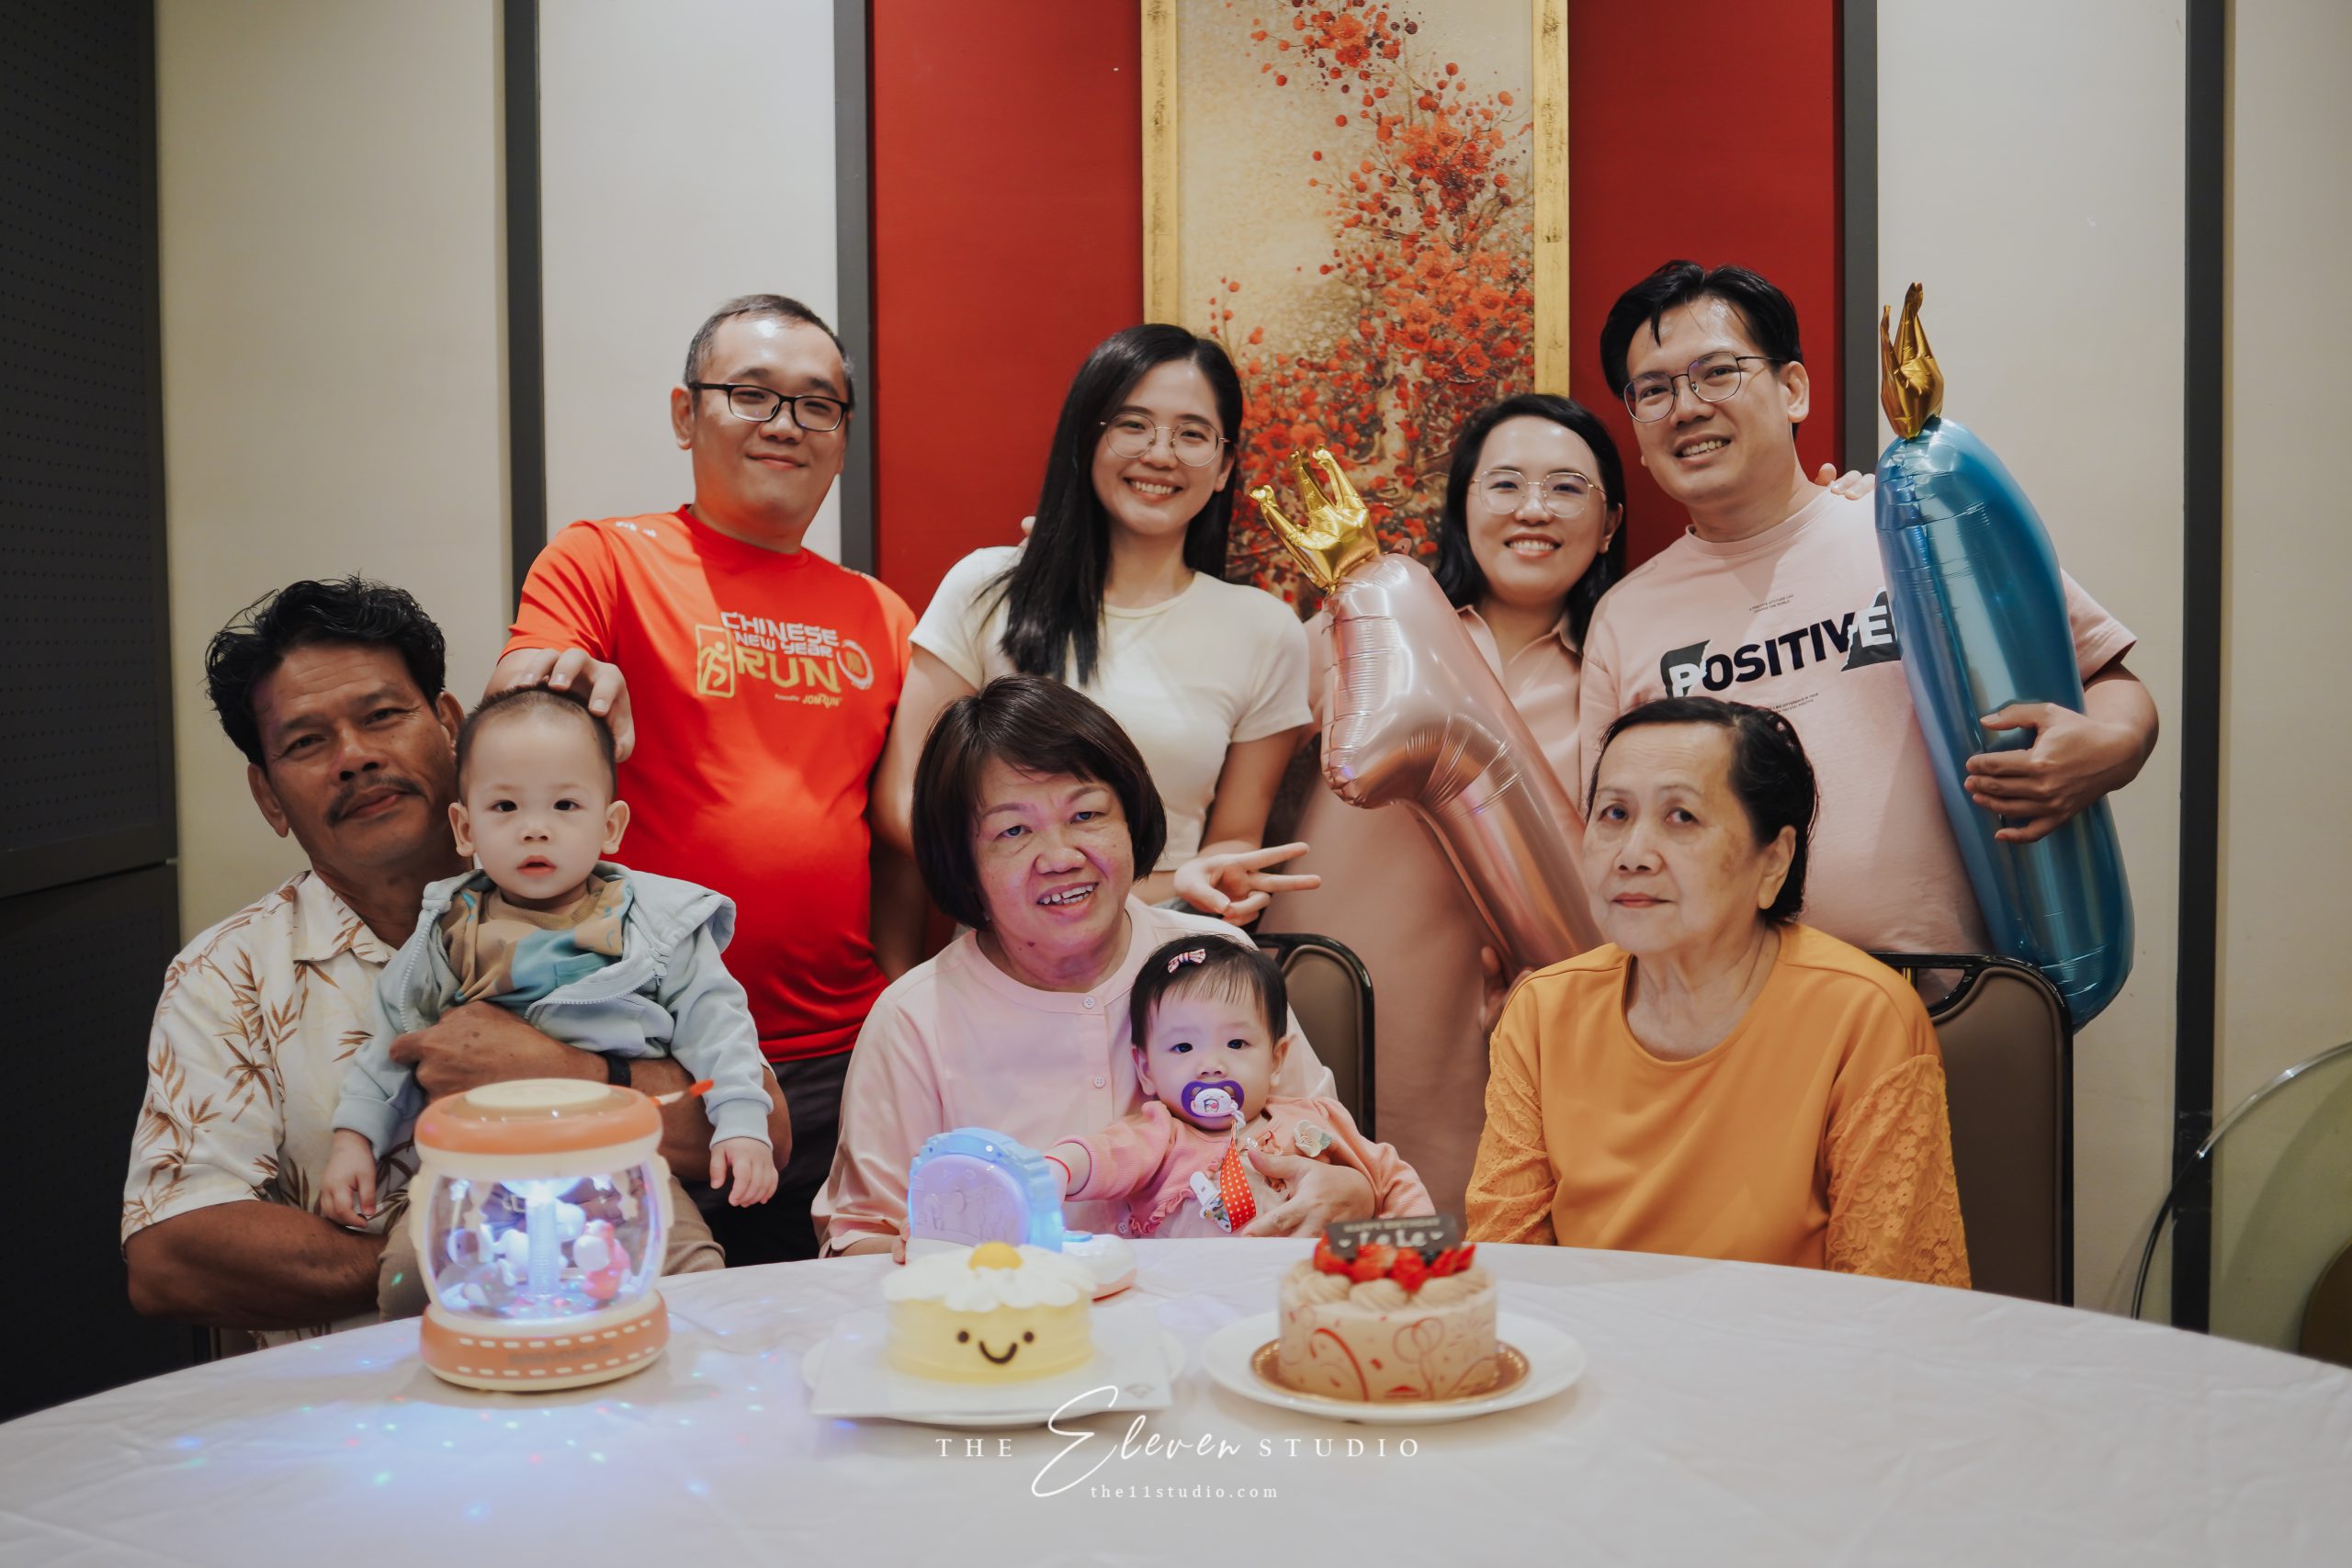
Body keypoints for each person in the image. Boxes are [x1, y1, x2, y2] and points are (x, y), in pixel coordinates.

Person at [123, 580, 786, 1344]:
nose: (355, 757)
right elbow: (169, 1256)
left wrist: (563, 1071)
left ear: (447, 725)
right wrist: (468, 1260)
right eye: (305, 742)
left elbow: (763, 1123)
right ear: (269, 797)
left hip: (634, 1355)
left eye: (382, 715)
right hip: (374, 1395)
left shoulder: (617, 906)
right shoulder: (224, 976)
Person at [491, 294, 917, 1264]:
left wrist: (896, 991)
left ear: (842, 439)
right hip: (652, 1054)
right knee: (663, 1327)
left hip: (846, 1057)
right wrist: (557, 688)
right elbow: (522, 692)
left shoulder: (883, 615)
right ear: (687, 414)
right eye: (751, 394)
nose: (785, 423)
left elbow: (898, 838)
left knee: (847, 1325)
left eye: (817, 404)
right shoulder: (604, 560)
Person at [1577, 261, 2155, 957]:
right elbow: (1609, 834)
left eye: (1717, 372)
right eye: (1653, 391)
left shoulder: (1914, 528)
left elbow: (2107, 676)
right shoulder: (1625, 618)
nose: (1687, 407)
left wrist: (2113, 746)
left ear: (1793, 389)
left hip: (1959, 992)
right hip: (1730, 1005)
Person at [817, 676, 1378, 1255]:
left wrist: (1354, 1192)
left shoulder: (1216, 962)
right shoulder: (915, 1018)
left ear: (1131, 820)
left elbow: (1334, 1152)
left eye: (1086, 815)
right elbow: (859, 1239)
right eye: (1013, 830)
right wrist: (929, 1252)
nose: (1061, 857)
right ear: (963, 863)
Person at [1260, 394, 1626, 1212]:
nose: (1534, 508)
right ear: (1462, 507)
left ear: (1608, 525)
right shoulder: (1352, 632)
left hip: (1515, 1034)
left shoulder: (1617, 664)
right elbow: (1240, 800)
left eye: (1567, 488)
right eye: (1505, 484)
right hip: (1334, 1009)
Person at [1466, 696, 1970, 1286]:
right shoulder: (1542, 1012)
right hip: (1593, 1339)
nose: (1632, 855)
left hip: (1788, 1344)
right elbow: (1510, 1275)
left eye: (1681, 817)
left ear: (1773, 861)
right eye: (1614, 814)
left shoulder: (1863, 1017)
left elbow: (1889, 1302)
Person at [320, 687, 778, 1287]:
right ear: (465, 827)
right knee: (410, 1277)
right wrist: (355, 1140)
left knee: (691, 1273)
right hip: (481, 1167)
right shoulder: (447, 932)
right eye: (505, 806)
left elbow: (720, 1027)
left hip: (619, 1159)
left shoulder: (657, 927)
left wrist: (741, 1122)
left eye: (565, 805)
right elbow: (393, 1039)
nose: (535, 829)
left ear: (610, 825)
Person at [875, 324, 1317, 922]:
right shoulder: (986, 587)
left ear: (1223, 466)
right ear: (1087, 437)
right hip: (1004, 948)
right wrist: (1029, 896)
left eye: (1192, 434)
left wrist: (1211, 880)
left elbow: (1234, 838)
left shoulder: (1265, 630)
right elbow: (903, 799)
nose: (1160, 454)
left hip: (1167, 944)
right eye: (1133, 425)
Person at [1044, 935, 1430, 1237]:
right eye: (1183, 1047)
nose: (1211, 1065)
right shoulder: (1157, 1136)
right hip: (1188, 1300)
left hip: (1306, 1292)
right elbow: (1104, 1155)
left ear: (1276, 1059)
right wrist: (1058, 1169)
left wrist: (1420, 1253)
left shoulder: (1316, 1120)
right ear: (1146, 1069)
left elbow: (1390, 1177)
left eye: (1236, 1044)